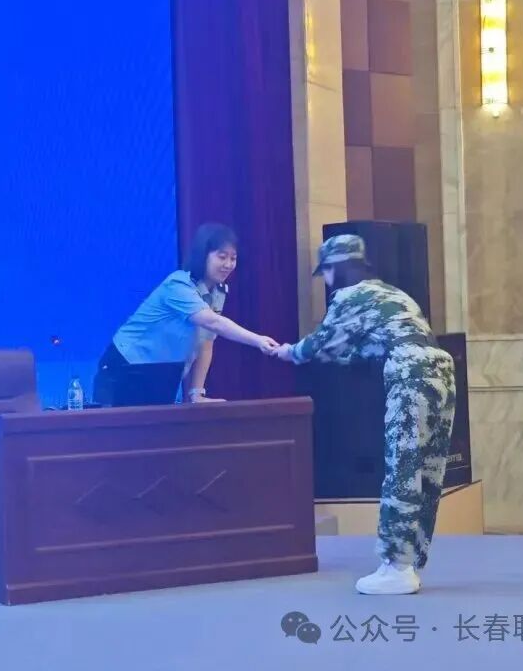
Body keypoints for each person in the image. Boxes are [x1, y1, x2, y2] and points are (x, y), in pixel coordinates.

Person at [273, 235, 456, 595]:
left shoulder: (350, 297)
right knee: (428, 470)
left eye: (326, 272)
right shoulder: (391, 293)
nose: (326, 282)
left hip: (410, 373)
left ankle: (396, 566)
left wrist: (288, 352)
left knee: (403, 465)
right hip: (441, 370)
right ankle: (412, 559)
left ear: (335, 268)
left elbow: (321, 343)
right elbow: (361, 350)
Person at [94, 224, 279, 405]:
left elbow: (206, 342)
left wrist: (196, 393)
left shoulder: (218, 292)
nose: (228, 265)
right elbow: (213, 322)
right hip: (125, 366)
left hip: (163, 374)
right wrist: (258, 340)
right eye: (222, 257)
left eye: (233, 258)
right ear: (203, 255)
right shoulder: (178, 284)